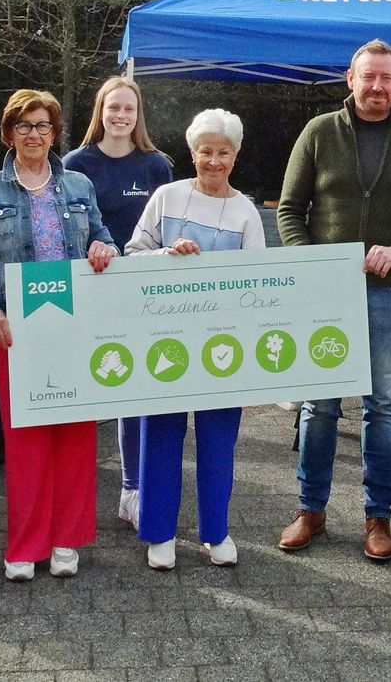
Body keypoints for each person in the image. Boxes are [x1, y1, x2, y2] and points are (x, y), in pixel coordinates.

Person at [276, 38, 391, 561]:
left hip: (387, 296)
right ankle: (311, 509)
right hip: (324, 295)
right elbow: (290, 210)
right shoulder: (318, 133)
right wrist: (315, 264)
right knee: (319, 406)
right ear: (349, 79)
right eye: (367, 76)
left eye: (387, 78)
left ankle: (379, 517)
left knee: (381, 408)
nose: (376, 86)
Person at [0, 89, 118, 582]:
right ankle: (25, 543)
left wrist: (102, 247)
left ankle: (65, 540)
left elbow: (105, 238)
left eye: (43, 126)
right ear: (9, 132)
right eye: (25, 126)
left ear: (55, 133)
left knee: (74, 436)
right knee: (25, 439)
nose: (34, 134)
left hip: (75, 326)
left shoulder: (78, 184)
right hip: (18, 330)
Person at [125, 108, 264, 570]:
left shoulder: (246, 212)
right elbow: (132, 256)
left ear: (237, 156)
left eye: (223, 153)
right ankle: (159, 533)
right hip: (163, 339)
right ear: (192, 152)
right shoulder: (165, 197)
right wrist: (168, 255)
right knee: (160, 433)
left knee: (218, 439)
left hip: (222, 347)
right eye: (206, 151)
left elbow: (257, 285)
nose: (214, 161)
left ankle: (215, 533)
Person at [64, 76, 172, 531]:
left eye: (129, 108)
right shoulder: (74, 163)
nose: (121, 116)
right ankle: (69, 500)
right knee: (82, 392)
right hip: (89, 290)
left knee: (134, 390)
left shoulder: (157, 166)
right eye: (113, 108)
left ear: (138, 113)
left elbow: (165, 230)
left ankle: (132, 489)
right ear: (100, 111)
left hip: (141, 295)